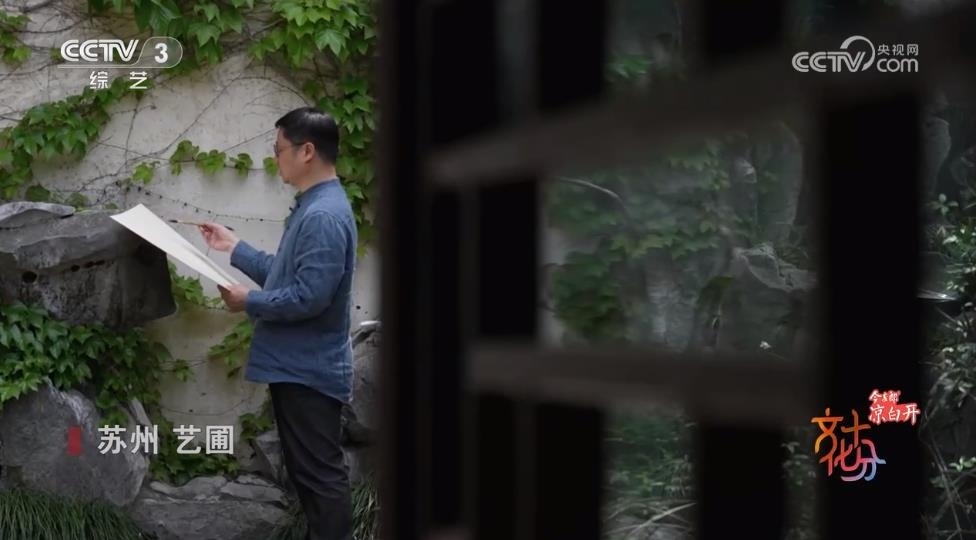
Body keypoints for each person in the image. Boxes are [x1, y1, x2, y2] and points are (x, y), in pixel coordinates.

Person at [198, 107, 356, 540]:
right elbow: (290, 277)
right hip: (299, 368)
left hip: (309, 372)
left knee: (320, 479)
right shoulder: (314, 206)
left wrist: (249, 301)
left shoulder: (323, 216)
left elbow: (310, 297)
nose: (274, 158)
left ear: (307, 151)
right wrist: (235, 248)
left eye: (278, 149)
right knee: (310, 478)